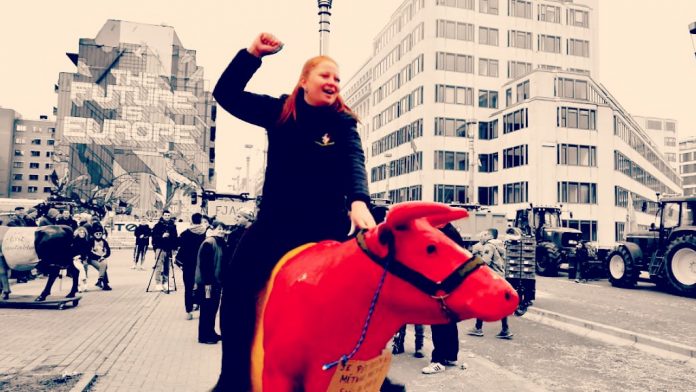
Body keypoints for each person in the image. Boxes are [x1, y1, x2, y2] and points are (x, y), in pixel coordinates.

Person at [212, 32, 375, 390]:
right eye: (325, 75)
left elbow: (354, 160)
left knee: (355, 303)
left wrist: (359, 200)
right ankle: (234, 378)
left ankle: (350, 380)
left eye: (336, 78)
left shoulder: (343, 123)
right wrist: (252, 54)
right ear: (304, 81)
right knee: (237, 288)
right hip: (274, 226)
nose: (333, 82)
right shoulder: (280, 111)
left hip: (325, 230)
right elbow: (224, 96)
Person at [422, 222, 466, 374]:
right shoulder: (451, 230)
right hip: (450, 282)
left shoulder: (442, 232)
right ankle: (451, 355)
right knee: (449, 320)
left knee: (438, 320)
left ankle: (438, 360)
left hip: (441, 282)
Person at [468, 228, 513, 339]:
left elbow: (485, 262)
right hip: (500, 277)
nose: (481, 237)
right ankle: (505, 329)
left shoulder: (489, 246)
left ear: (489, 235)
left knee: (481, 301)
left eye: (483, 235)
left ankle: (478, 328)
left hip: (491, 278)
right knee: (501, 303)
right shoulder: (500, 245)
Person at [196, 222, 227, 344]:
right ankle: (204, 336)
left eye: (223, 229)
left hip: (215, 282)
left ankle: (211, 331)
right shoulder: (209, 243)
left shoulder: (219, 242)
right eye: (219, 229)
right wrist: (208, 283)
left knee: (213, 308)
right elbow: (205, 266)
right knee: (206, 308)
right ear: (212, 229)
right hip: (207, 284)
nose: (221, 231)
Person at [176, 213, 208, 320]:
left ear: (192, 220)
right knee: (202, 287)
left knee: (188, 288)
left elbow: (179, 247)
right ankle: (201, 308)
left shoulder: (186, 233)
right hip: (202, 264)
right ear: (201, 220)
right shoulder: (206, 233)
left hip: (189, 265)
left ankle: (188, 312)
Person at [152, 210, 178, 291]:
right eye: (165, 215)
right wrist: (162, 236)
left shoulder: (173, 226)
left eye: (168, 215)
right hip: (160, 247)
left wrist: (175, 248)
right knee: (159, 266)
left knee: (167, 267)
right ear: (163, 216)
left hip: (169, 248)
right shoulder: (158, 225)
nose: (167, 217)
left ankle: (165, 282)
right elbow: (154, 237)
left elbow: (175, 237)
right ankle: (158, 283)